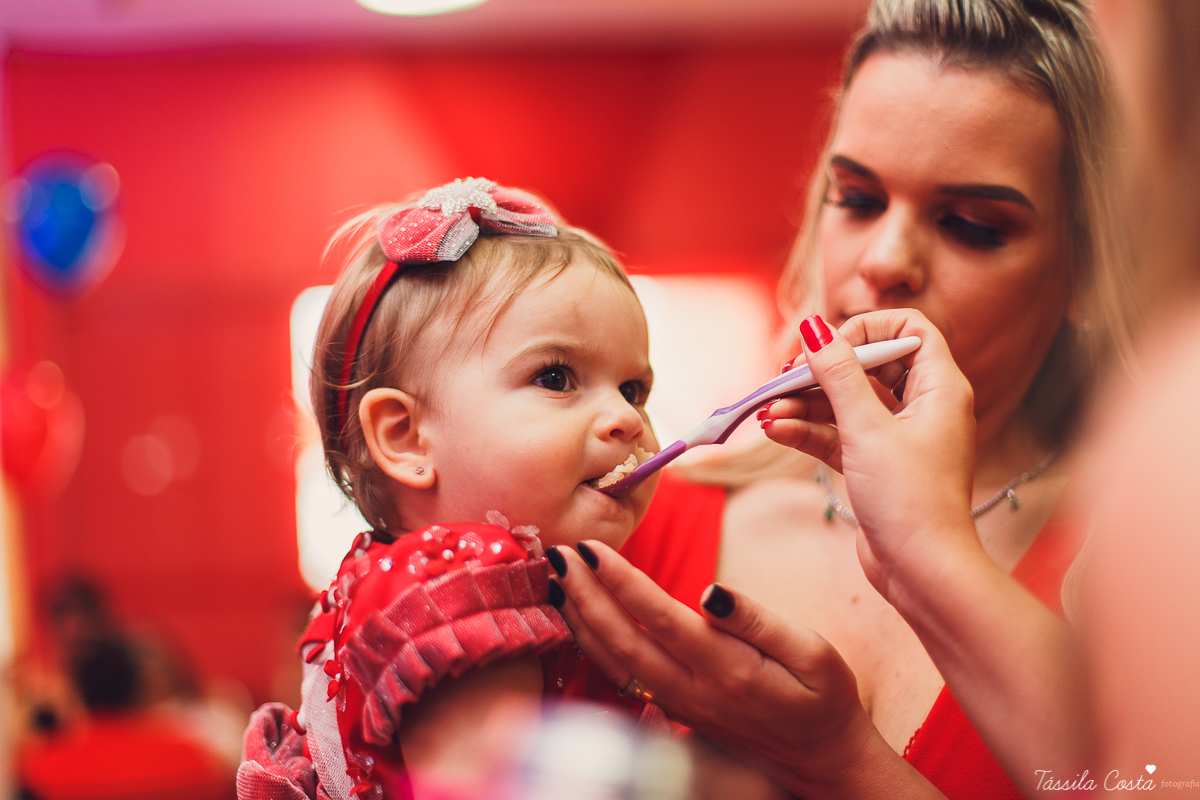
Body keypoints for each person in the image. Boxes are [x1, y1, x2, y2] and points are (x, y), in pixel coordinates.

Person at [561, 1, 1126, 797]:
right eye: (858, 200)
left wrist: (844, 767)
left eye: (969, 224)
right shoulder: (639, 518)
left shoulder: (1142, 556)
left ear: (1085, 269)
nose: (887, 260)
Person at [236, 178, 665, 799]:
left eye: (633, 388)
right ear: (406, 437)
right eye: (557, 376)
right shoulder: (462, 589)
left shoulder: (412, 579)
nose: (628, 419)